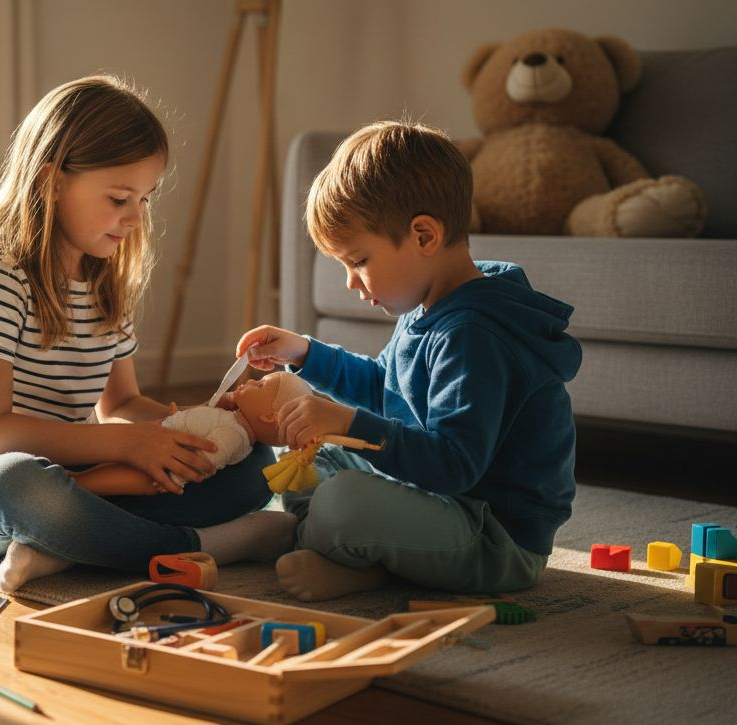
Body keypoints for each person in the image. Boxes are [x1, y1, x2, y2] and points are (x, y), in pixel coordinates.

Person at [0, 75, 294, 593]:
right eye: (119, 198)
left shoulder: (105, 284)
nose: (135, 218)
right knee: (22, 487)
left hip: (86, 478)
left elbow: (121, 404)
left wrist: (193, 426)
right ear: (51, 182)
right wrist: (125, 443)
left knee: (251, 464)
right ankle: (205, 545)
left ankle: (63, 546)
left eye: (145, 199)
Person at [235, 120, 582, 601]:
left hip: (492, 536)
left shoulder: (476, 335)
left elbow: (454, 465)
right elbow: (385, 387)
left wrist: (348, 422)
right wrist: (304, 352)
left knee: (342, 499)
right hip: (437, 500)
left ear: (423, 236)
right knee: (307, 457)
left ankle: (324, 544)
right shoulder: (431, 307)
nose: (351, 283)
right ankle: (353, 555)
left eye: (359, 261)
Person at [71, 371, 311, 496]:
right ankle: (78, 477)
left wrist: (175, 477)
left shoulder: (235, 436)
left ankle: (78, 484)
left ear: (269, 416)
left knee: (126, 475)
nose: (248, 382)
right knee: (114, 461)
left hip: (162, 464)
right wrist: (185, 414)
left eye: (259, 385)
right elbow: (202, 422)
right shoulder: (231, 418)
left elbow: (207, 458)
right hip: (153, 436)